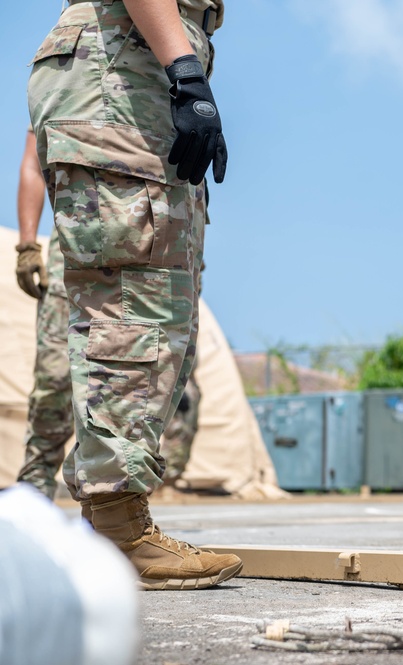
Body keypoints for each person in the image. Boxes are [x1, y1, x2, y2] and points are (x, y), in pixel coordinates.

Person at [26, 0, 240, 589]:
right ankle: (120, 525)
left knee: (144, 293)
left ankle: (113, 518)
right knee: (137, 299)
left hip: (121, 71)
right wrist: (187, 72)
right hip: (123, 74)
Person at [14, 128, 203, 501]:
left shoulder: (181, 88)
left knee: (162, 371)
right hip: (85, 240)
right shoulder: (84, 79)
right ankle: (35, 486)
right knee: (55, 372)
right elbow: (35, 161)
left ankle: (126, 498)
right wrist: (26, 243)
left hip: (167, 242)